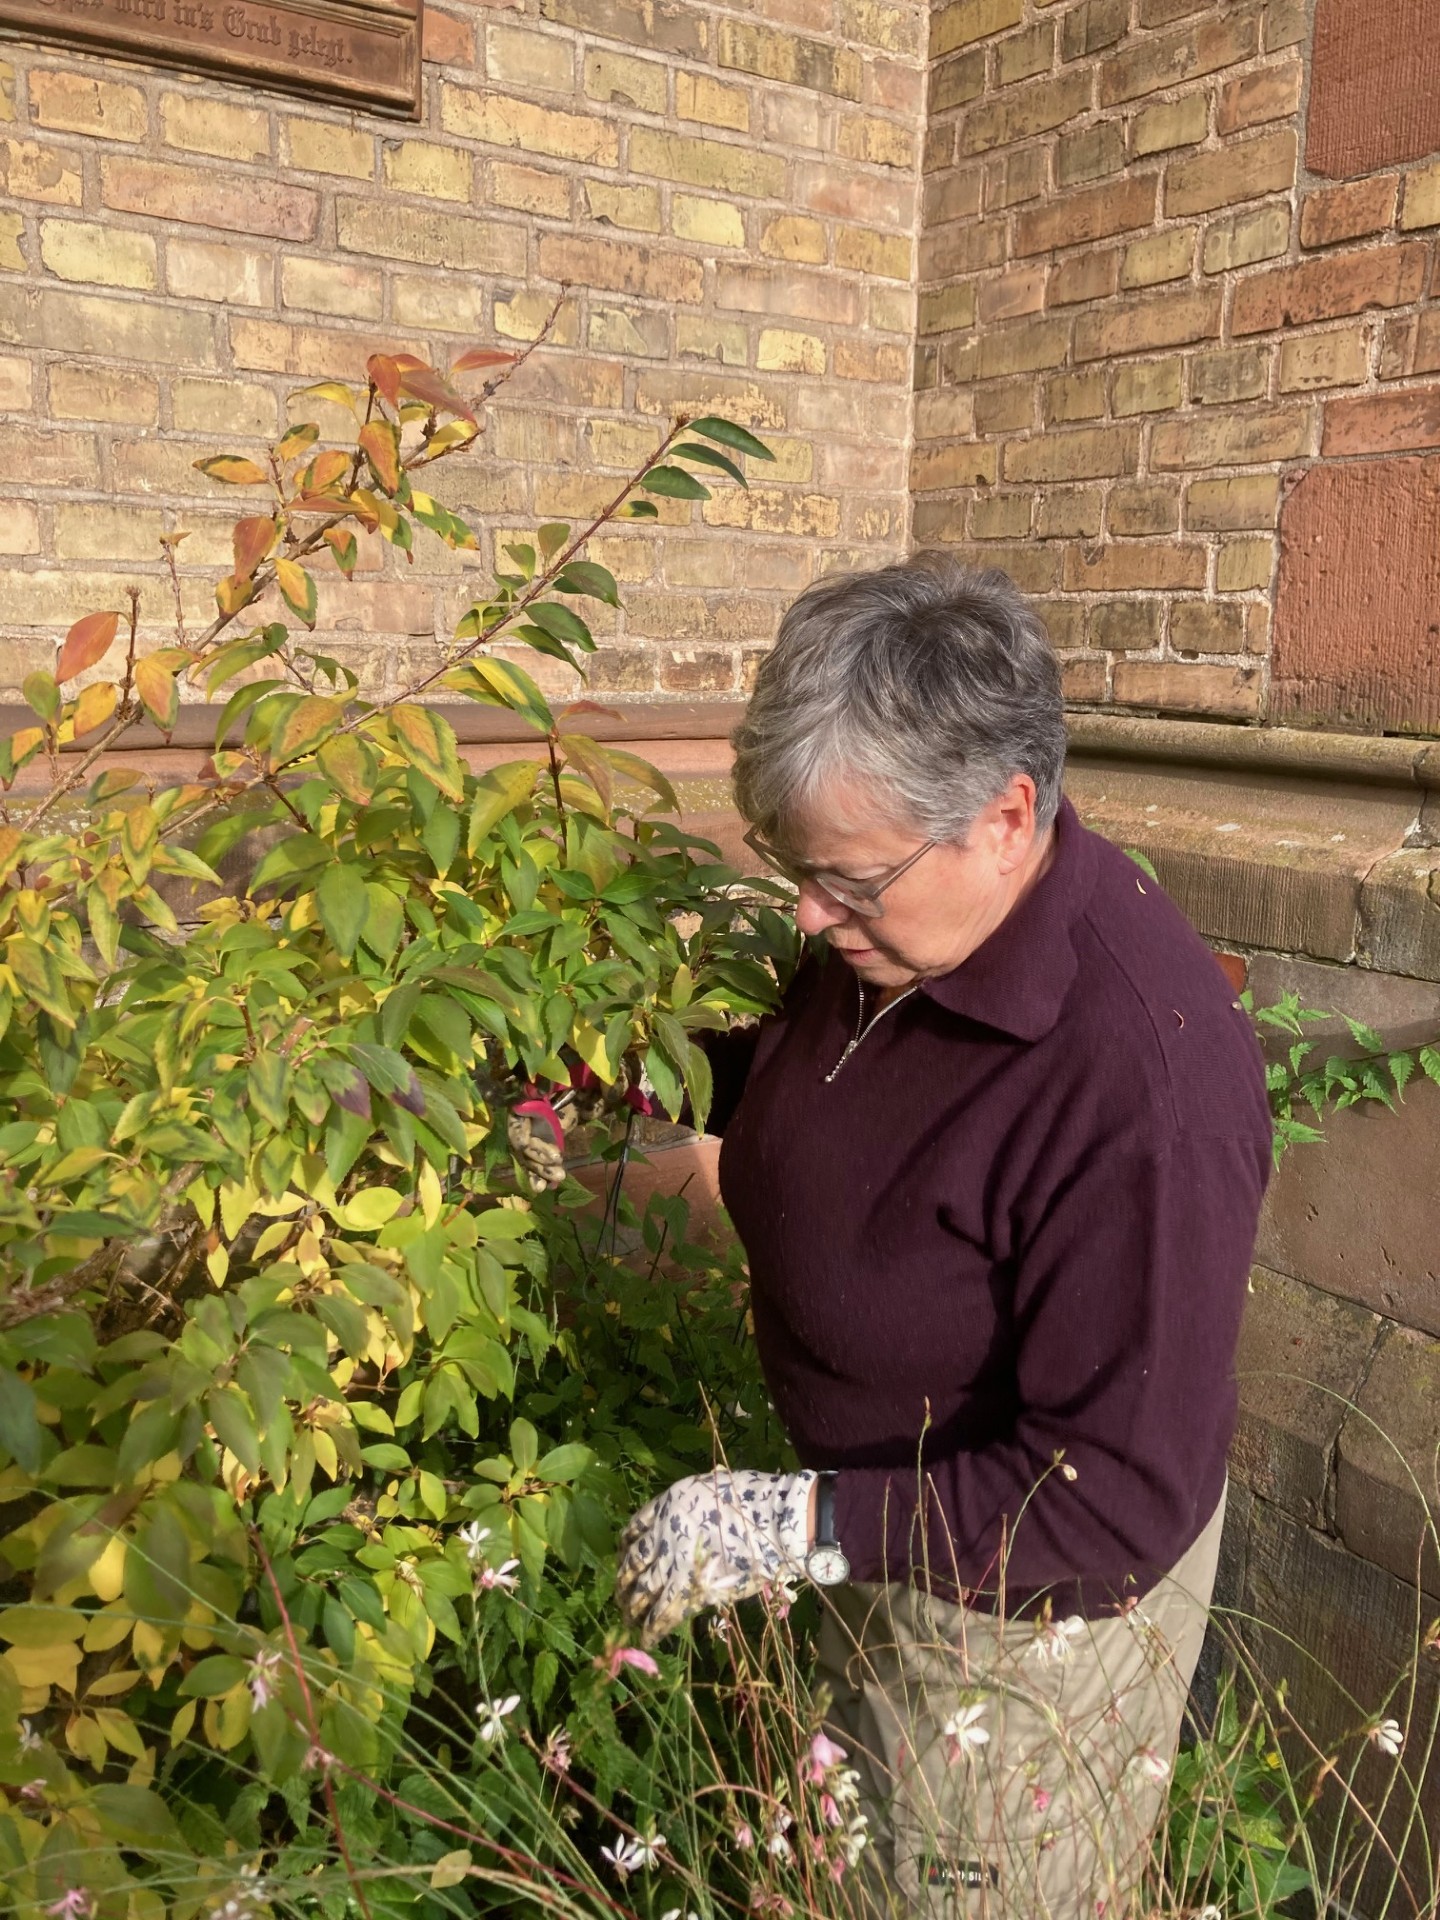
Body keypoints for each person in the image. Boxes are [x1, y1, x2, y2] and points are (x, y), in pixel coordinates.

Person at [615, 561, 1273, 1918]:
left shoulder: (1140, 1088)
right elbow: (830, 1085)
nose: (808, 916)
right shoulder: (904, 935)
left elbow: (1115, 1498)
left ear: (1006, 816)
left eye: (845, 883)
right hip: (885, 1536)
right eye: (797, 872)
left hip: (1023, 1626)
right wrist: (634, 1071)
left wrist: (795, 1524)